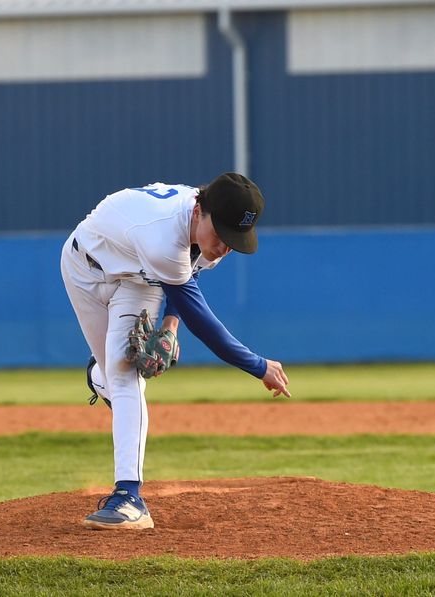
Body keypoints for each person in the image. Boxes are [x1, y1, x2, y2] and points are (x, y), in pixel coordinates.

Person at [60, 172, 291, 530]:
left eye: (235, 238)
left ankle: (129, 498)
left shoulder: (208, 235)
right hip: (83, 268)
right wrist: (258, 365)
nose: (226, 246)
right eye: (223, 234)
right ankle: (97, 375)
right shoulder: (163, 234)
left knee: (125, 377)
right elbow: (202, 320)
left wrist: (169, 326)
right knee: (114, 375)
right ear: (199, 210)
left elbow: (190, 272)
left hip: (140, 284)